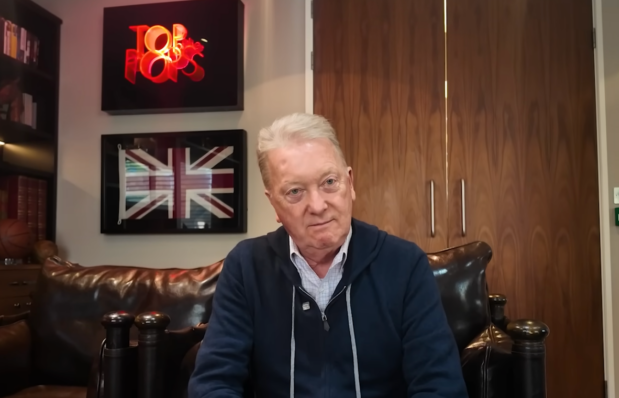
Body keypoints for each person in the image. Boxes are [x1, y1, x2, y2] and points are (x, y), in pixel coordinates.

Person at [188, 113, 467, 398]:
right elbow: (213, 383)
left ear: (350, 183)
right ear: (274, 204)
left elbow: (440, 387)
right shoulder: (246, 267)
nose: (318, 205)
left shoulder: (405, 265)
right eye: (295, 191)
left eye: (329, 182)